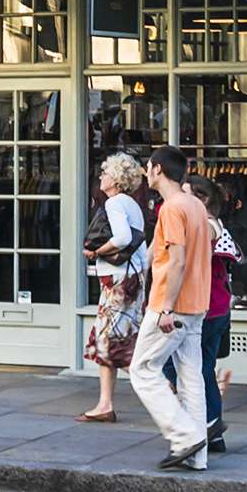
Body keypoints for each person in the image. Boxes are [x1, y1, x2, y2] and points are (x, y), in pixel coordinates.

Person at [127, 146, 214, 471]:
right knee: (191, 377)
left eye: (148, 167)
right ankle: (197, 456)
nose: (145, 172)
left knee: (142, 370)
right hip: (197, 303)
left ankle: (184, 436)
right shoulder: (195, 205)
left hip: (172, 305)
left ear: (158, 170)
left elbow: (176, 261)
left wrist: (165, 308)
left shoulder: (172, 208)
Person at [78, 152, 148, 422]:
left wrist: (96, 252)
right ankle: (104, 404)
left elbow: (122, 238)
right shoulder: (130, 204)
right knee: (108, 341)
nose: (101, 176)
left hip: (119, 281)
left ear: (116, 179)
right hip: (129, 278)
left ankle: (166, 389)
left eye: (105, 173)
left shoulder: (115, 203)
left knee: (112, 343)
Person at [187, 174, 240, 457]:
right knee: (205, 369)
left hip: (204, 308)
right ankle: (213, 430)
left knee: (172, 367)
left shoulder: (205, 226)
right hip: (218, 307)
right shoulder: (215, 224)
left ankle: (203, 426)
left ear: (201, 200)